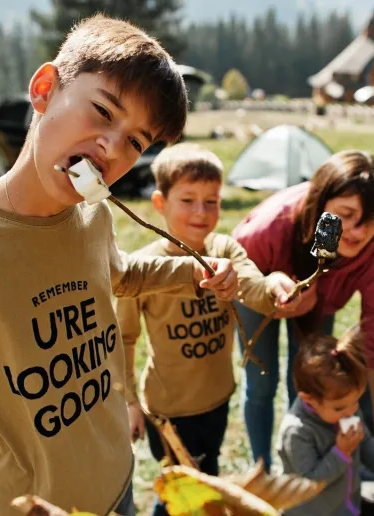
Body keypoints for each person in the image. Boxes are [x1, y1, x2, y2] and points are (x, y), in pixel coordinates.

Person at [0, 15, 242, 516]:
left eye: (137, 142)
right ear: (45, 88)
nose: (113, 148)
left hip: (118, 482)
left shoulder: (93, 215)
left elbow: (117, 276)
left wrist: (192, 271)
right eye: (102, 111)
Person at [116, 142, 301, 516]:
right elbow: (124, 337)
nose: (201, 213)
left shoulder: (226, 249)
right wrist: (130, 401)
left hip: (217, 399)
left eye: (212, 201)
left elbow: (254, 287)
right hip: (170, 411)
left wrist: (277, 285)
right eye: (188, 200)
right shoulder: (142, 268)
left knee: (210, 475)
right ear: (159, 203)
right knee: (181, 493)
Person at [232, 149, 374, 472]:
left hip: (319, 305)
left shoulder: (373, 257)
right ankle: (261, 468)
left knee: (312, 384)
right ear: (319, 202)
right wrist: (270, 293)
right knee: (261, 382)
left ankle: (299, 460)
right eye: (345, 214)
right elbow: (235, 274)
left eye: (370, 219)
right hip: (257, 288)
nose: (356, 231)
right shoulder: (269, 227)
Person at [276, 329, 374, 516]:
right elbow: (309, 484)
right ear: (309, 399)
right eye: (340, 408)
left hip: (346, 507)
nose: (351, 411)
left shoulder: (346, 407)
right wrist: (341, 452)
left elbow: (364, 440)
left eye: (356, 401)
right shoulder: (297, 432)